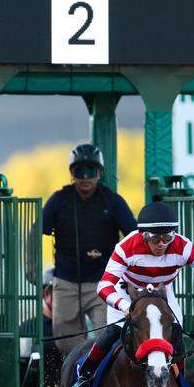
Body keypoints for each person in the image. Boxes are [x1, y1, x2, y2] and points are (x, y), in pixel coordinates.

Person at [69, 198, 194, 387]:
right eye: (154, 238)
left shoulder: (182, 246)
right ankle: (85, 376)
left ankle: (180, 386)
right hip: (128, 293)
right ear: (143, 235)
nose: (161, 244)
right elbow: (104, 286)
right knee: (112, 334)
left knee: (176, 336)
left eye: (167, 237)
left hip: (162, 294)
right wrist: (125, 307)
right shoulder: (126, 247)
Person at [41, 143, 137, 357]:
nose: (85, 176)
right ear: (71, 174)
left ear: (100, 173)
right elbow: (36, 231)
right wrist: (31, 266)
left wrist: (132, 274)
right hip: (66, 283)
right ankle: (79, 381)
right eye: (79, 171)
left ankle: (104, 381)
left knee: (112, 335)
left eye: (90, 171)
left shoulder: (112, 201)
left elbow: (134, 236)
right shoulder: (58, 200)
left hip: (105, 282)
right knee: (67, 345)